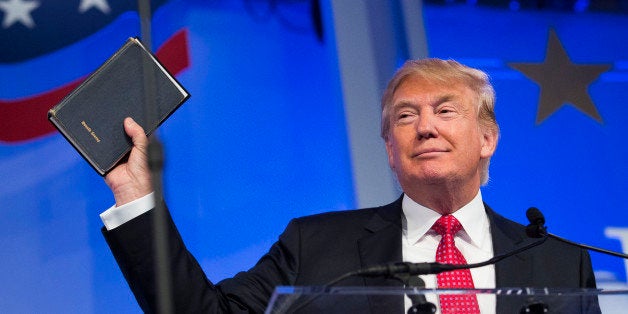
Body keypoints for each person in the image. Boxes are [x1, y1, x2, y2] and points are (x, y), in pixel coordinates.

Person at [100, 59, 598, 313]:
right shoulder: (314, 245)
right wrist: (136, 198)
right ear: (389, 149)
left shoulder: (558, 261)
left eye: (446, 111)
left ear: (488, 138)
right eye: (406, 117)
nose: (425, 127)